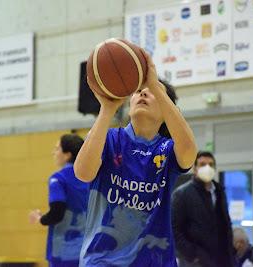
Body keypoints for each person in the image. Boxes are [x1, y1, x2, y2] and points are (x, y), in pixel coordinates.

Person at [74, 49, 197, 266]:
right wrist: (106, 109)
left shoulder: (166, 149)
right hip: (103, 261)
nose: (143, 93)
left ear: (166, 109)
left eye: (152, 92)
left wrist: (156, 86)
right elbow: (83, 173)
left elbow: (189, 154)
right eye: (138, 90)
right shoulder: (110, 138)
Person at [29, 134, 89, 267]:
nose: (53, 152)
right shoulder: (91, 176)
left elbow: (56, 213)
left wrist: (40, 218)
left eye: (57, 149)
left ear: (67, 154)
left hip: (63, 251)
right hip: (89, 250)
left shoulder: (59, 178)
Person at [171, 151, 234, 267]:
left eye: (211, 164)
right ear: (195, 168)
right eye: (202, 164)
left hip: (220, 259)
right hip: (195, 261)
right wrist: (193, 255)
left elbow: (225, 225)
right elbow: (174, 229)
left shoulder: (219, 191)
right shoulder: (182, 194)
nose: (207, 168)